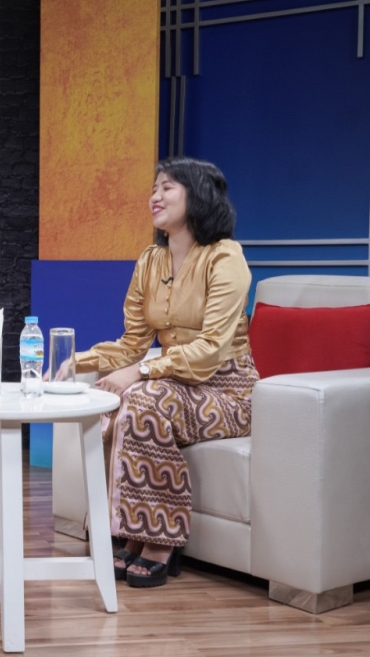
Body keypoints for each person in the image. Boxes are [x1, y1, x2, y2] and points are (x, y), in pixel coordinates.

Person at [57, 157, 258, 588]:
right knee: (127, 398)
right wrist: (78, 360)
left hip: (228, 391)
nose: (155, 196)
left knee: (144, 398)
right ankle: (134, 531)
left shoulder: (226, 258)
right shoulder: (150, 261)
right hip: (175, 384)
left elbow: (209, 350)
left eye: (167, 187)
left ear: (198, 195)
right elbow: (132, 342)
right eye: (154, 188)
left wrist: (143, 371)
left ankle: (160, 539)